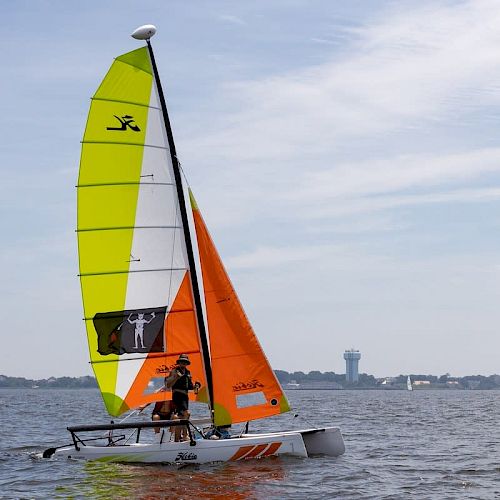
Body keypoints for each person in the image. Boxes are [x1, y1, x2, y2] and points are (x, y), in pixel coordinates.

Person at [165, 354, 201, 441]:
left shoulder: (188, 372)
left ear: (187, 363)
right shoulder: (174, 371)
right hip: (177, 395)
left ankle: (181, 437)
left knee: (183, 416)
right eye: (181, 362)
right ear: (179, 362)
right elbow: (168, 385)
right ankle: (182, 436)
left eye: (185, 362)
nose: (183, 363)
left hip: (185, 397)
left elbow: (190, 387)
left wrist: (196, 385)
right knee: (185, 414)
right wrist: (176, 377)